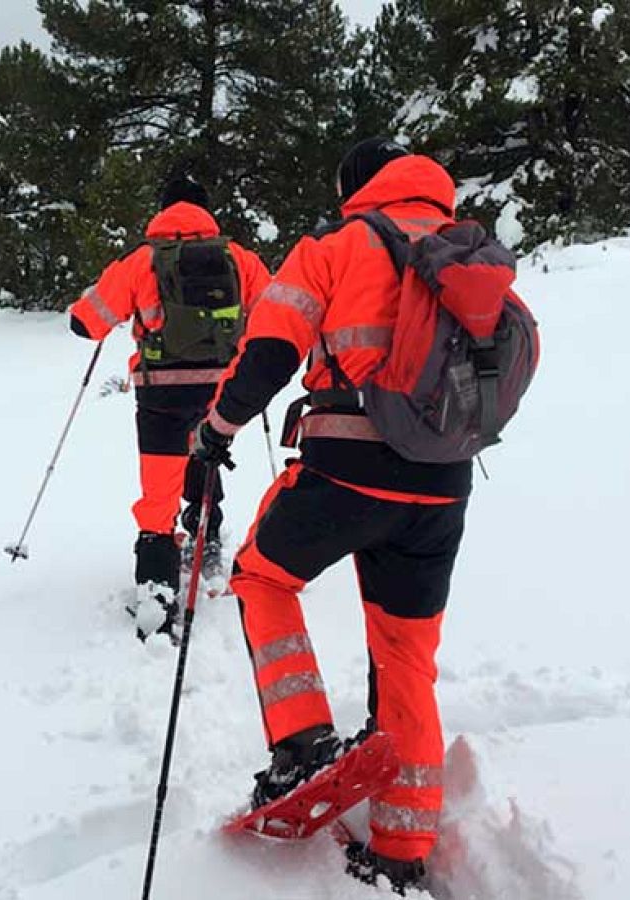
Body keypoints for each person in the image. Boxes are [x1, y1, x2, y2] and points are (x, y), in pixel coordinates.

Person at [188, 139, 518, 893]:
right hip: (443, 484)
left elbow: (269, 353)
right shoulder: (465, 253)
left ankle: (301, 743)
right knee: (405, 655)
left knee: (261, 578)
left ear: (356, 186)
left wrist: (216, 431)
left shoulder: (335, 247)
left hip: (346, 471)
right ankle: (401, 851)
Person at [67, 172, 272, 637]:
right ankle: (207, 543)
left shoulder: (141, 259)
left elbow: (87, 323)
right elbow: (276, 310)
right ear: (206, 211)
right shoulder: (237, 257)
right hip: (223, 389)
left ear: (162, 210)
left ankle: (158, 597)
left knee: (159, 488)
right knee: (206, 458)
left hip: (161, 392)